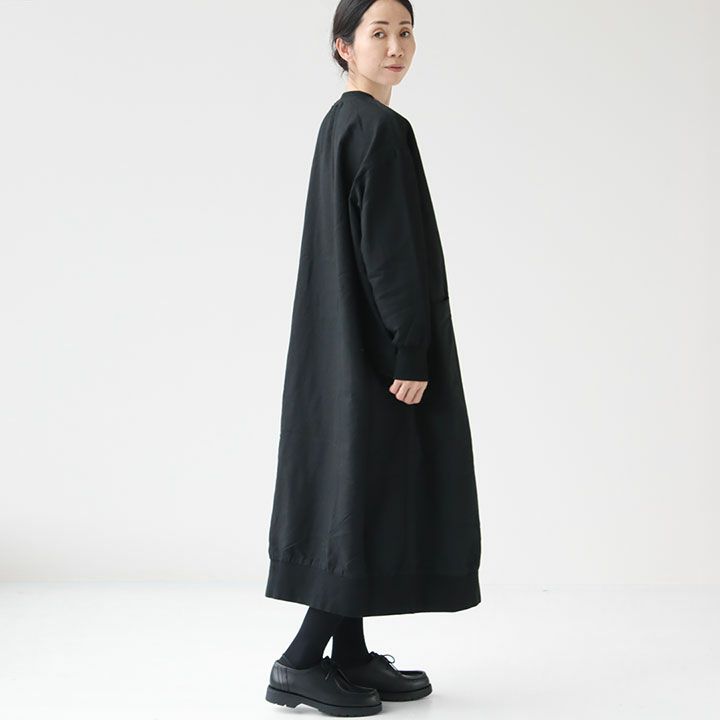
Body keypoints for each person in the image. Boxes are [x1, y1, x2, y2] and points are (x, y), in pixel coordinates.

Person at [264, 0, 482, 715]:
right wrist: (410, 348)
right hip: (380, 352)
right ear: (343, 47)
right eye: (378, 33)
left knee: (358, 490)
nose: (396, 46)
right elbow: (389, 251)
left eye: (406, 32)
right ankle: (299, 664)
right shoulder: (381, 130)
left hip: (346, 346)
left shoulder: (342, 123)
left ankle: (349, 654)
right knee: (373, 493)